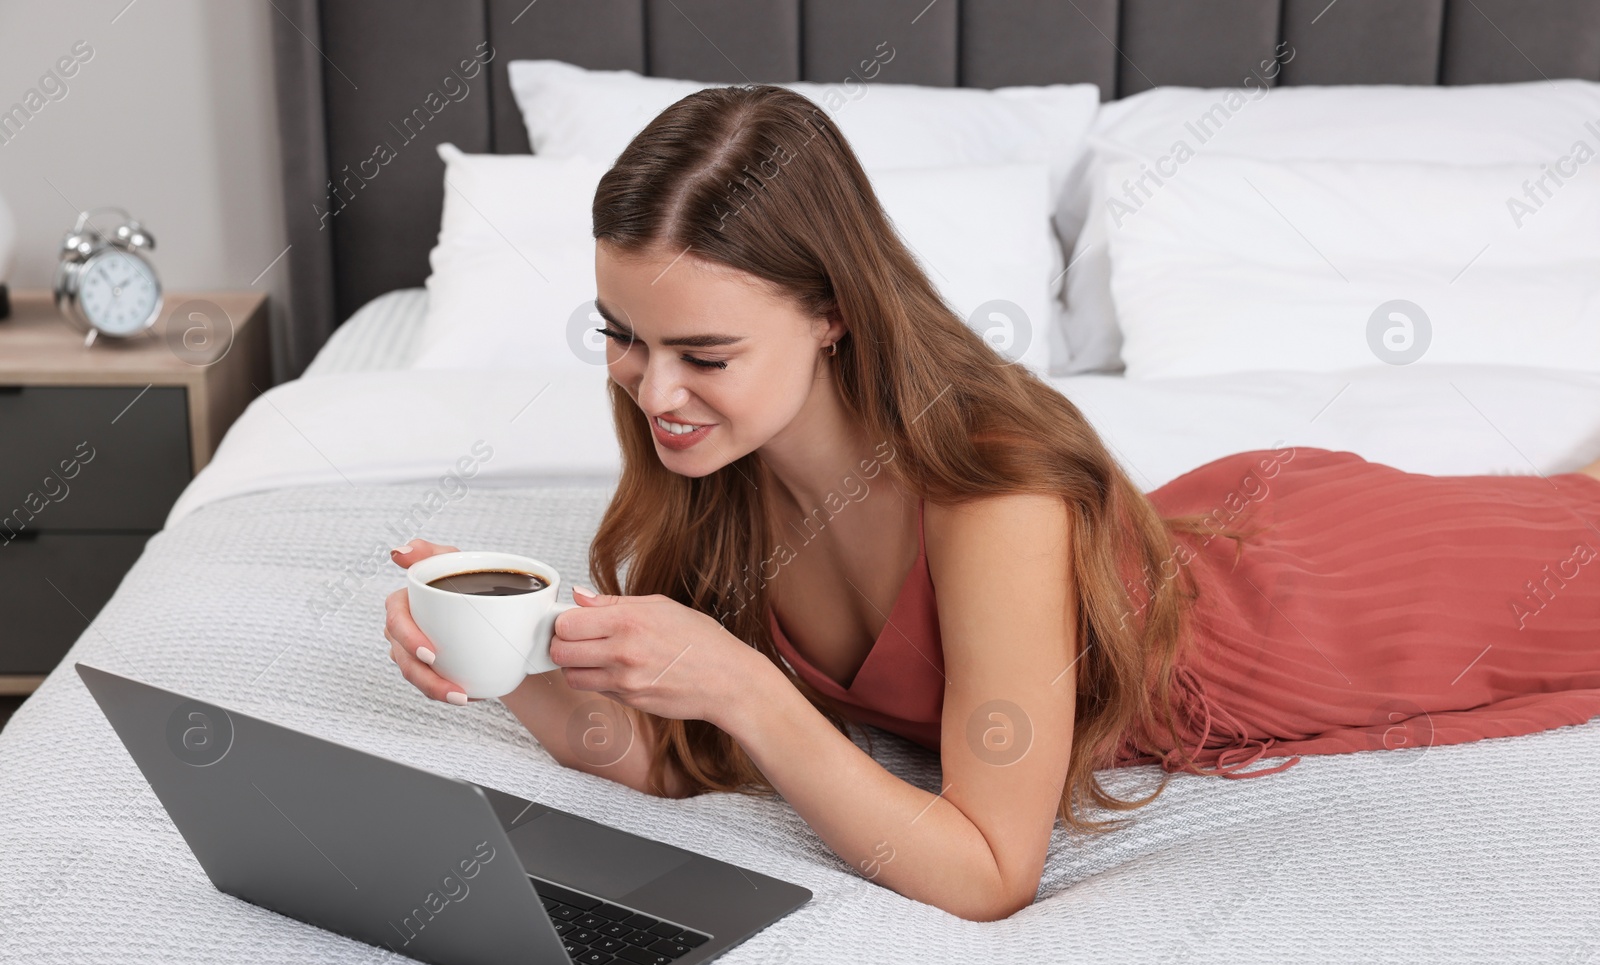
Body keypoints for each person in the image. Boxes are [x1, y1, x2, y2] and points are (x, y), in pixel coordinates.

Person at [383, 85, 1600, 922]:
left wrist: (743, 681)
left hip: (1321, 606)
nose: (653, 390)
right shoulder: (722, 468)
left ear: (831, 312)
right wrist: (509, 662)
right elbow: (666, 751)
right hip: (1191, 536)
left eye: (702, 352)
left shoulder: (994, 490)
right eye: (620, 337)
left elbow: (989, 871)